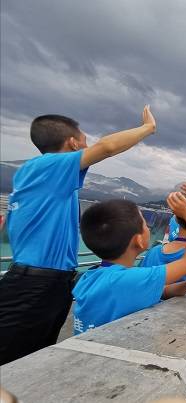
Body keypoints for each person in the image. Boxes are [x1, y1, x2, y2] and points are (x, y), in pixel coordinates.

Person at [0, 106, 156, 365]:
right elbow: (106, 148)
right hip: (34, 285)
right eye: (84, 140)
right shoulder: (46, 167)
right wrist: (147, 128)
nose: (88, 146)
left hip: (47, 284)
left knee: (31, 361)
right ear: (73, 143)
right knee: (11, 362)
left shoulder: (45, 181)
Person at [72, 193, 186, 335]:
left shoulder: (90, 277)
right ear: (138, 240)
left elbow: (162, 290)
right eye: (145, 225)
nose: (149, 228)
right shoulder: (127, 279)